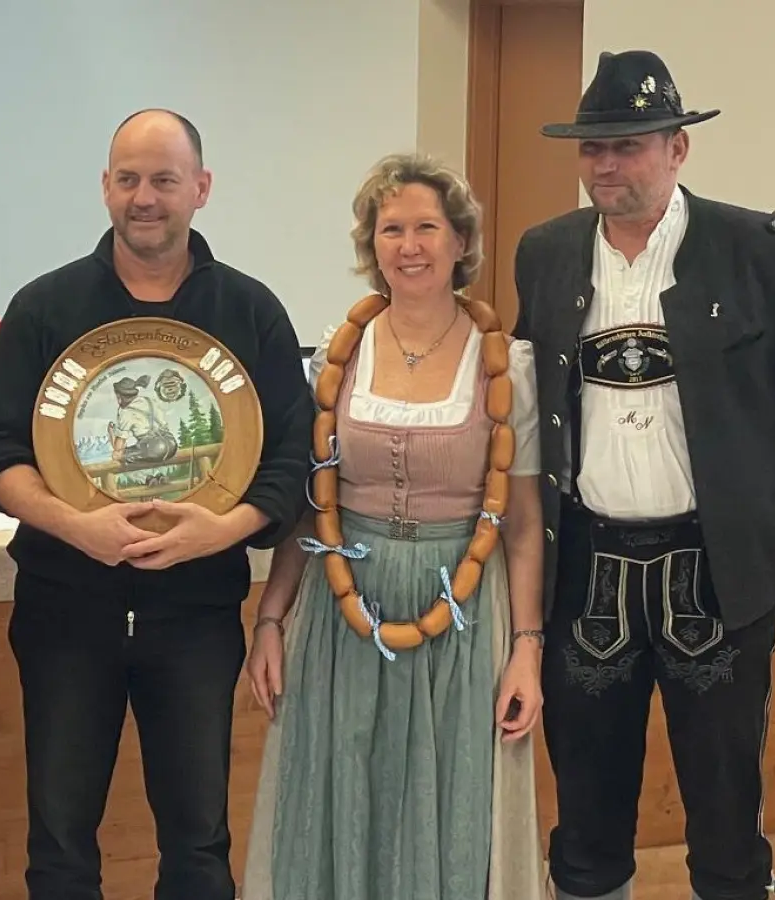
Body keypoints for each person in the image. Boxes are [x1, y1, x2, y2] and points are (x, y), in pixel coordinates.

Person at [513, 50, 775, 900]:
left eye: (631, 144)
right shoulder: (548, 253)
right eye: (593, 148)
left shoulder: (762, 251)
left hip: (721, 571)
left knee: (724, 811)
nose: (608, 165)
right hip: (588, 571)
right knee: (587, 811)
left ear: (678, 149)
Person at [0, 109, 313, 900]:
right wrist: (72, 525)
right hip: (64, 611)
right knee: (59, 845)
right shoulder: (45, 307)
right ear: (105, 188)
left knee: (198, 844)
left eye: (164, 179)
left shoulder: (250, 311)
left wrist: (221, 531)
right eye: (128, 178)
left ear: (201, 188)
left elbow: (292, 461)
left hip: (196, 615)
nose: (145, 197)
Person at [237, 152, 548, 900]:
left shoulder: (509, 364)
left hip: (467, 612)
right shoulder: (339, 358)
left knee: (453, 802)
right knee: (340, 791)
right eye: (392, 229)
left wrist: (526, 651)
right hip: (344, 609)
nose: (409, 245)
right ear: (370, 245)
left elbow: (526, 525)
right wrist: (272, 618)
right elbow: (313, 505)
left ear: (461, 243)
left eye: (427, 228)